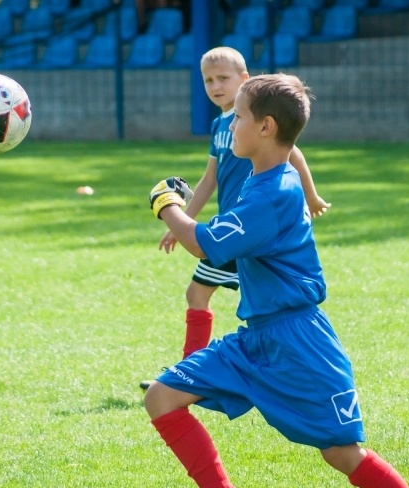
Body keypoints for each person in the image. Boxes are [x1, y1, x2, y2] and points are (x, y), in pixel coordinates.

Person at [143, 73, 409, 488]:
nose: (229, 125)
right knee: (162, 398)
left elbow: (204, 244)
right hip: (257, 337)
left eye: (237, 117)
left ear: (266, 127)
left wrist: (166, 204)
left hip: (299, 341)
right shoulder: (265, 182)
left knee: (342, 454)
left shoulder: (274, 194)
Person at [139, 46, 330, 390]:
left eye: (223, 78)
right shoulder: (219, 126)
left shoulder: (257, 121)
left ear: (244, 80)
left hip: (247, 234)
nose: (215, 86)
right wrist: (183, 219)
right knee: (218, 298)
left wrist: (311, 195)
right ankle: (196, 373)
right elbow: (209, 178)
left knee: (200, 295)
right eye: (208, 80)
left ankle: (189, 375)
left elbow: (293, 152)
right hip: (232, 229)